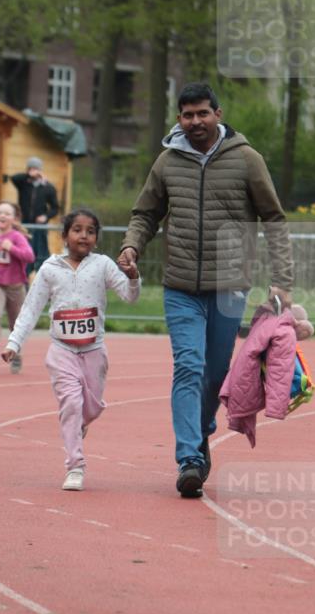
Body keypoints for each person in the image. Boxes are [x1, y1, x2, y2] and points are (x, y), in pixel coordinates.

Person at [117, 82, 293, 499]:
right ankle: (189, 459)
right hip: (180, 285)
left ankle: (201, 431)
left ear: (218, 114)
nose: (195, 121)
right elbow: (145, 213)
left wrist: (282, 279)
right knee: (188, 366)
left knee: (215, 373)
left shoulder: (247, 160)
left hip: (229, 287)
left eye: (202, 113)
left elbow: (274, 219)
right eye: (187, 115)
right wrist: (131, 245)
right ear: (178, 118)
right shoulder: (167, 161)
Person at [2, 208, 140, 490]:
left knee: (92, 408)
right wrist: (14, 342)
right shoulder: (50, 270)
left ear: (97, 238)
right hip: (62, 350)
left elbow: (130, 297)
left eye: (90, 231)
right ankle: (75, 466)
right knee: (71, 404)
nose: (83, 236)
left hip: (94, 351)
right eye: (77, 230)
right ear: (64, 236)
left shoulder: (102, 265)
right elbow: (30, 309)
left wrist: (133, 277)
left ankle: (79, 424)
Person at [0, 201, 35, 371]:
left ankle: (16, 354)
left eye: (6, 213)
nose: (2, 216)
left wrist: (11, 248)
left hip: (15, 286)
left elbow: (30, 257)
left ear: (14, 218)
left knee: (15, 324)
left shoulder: (17, 237)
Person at [10, 155, 60, 268]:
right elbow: (14, 178)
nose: (32, 171)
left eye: (35, 168)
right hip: (24, 225)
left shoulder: (48, 187)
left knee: (40, 256)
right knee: (24, 255)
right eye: (30, 168)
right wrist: (28, 175)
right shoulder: (23, 183)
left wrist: (45, 216)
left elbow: (55, 208)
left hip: (39, 228)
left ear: (40, 170)